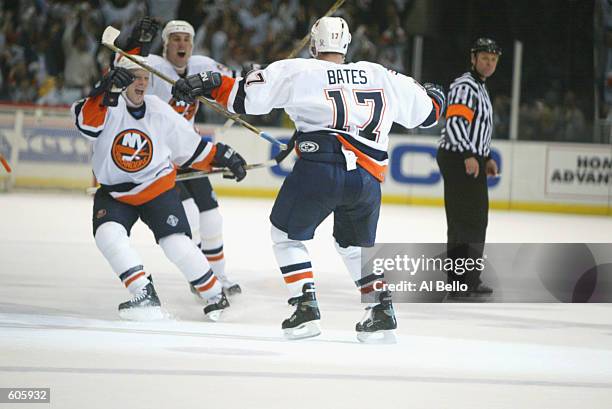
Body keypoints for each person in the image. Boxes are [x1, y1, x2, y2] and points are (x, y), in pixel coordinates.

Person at [171, 17, 446, 342]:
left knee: (285, 235)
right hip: (368, 178)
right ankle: (381, 308)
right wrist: (435, 95)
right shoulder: (378, 73)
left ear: (314, 45)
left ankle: (305, 306)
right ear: (346, 46)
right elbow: (428, 112)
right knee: (353, 246)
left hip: (321, 167)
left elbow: (246, 99)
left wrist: (212, 82)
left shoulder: (298, 69)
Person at [71, 54, 247, 321]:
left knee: (175, 243)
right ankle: (143, 293)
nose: (141, 83)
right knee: (108, 235)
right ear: (122, 81)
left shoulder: (157, 108)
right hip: (116, 193)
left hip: (157, 188)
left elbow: (189, 148)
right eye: (135, 78)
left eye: (145, 78)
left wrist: (223, 156)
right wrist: (102, 92)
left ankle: (214, 293)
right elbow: (87, 125)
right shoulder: (106, 105)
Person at [119, 18, 242, 296]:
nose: (181, 43)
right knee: (191, 216)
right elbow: (122, 68)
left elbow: (235, 78)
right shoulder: (152, 67)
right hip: (161, 158)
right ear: (165, 45)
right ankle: (201, 276)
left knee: (212, 217)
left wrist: (261, 74)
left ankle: (220, 275)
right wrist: (134, 45)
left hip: (190, 152)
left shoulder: (202, 65)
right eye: (175, 38)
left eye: (186, 38)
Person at [436, 37, 501, 300]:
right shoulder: (465, 85)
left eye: (494, 59)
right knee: (464, 221)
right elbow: (455, 124)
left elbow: (477, 129)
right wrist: (468, 155)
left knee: (476, 220)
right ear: (473, 58)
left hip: (469, 157)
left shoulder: (480, 87)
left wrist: (485, 158)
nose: (489, 63)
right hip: (457, 157)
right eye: (484, 57)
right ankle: (458, 282)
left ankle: (469, 278)